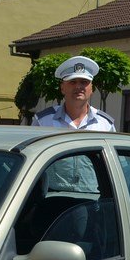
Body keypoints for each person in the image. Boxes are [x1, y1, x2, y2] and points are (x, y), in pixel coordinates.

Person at [32, 56, 113, 193]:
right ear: (62, 88)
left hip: (94, 199)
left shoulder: (105, 124)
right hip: (53, 198)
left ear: (91, 88)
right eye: (72, 82)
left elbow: (114, 167)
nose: (79, 87)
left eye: (84, 82)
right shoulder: (43, 121)